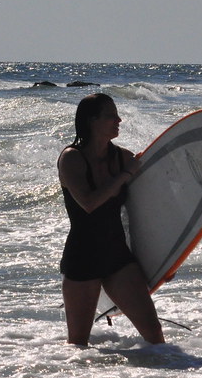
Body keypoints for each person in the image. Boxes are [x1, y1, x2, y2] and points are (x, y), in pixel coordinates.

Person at [57, 93, 165, 347]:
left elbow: (147, 210)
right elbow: (89, 203)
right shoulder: (71, 158)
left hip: (117, 256)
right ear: (92, 121)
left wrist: (166, 256)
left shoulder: (123, 158)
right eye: (110, 115)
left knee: (155, 336)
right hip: (82, 258)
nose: (119, 120)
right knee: (78, 346)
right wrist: (125, 175)